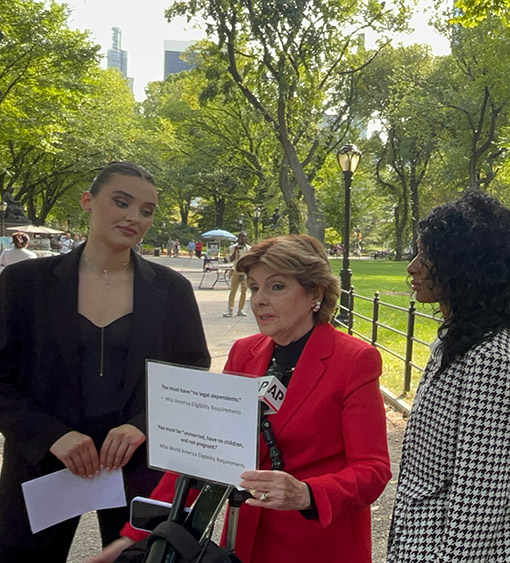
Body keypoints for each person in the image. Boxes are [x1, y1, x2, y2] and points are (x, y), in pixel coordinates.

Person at [91, 234, 392, 563]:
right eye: (254, 288)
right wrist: (133, 539)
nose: (259, 300)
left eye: (276, 287)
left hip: (320, 543)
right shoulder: (244, 353)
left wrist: (307, 493)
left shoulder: (355, 360)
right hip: (245, 540)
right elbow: (204, 453)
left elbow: (373, 469)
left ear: (315, 293)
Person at [0, 161, 211, 560]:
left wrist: (142, 426)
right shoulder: (25, 283)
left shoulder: (172, 291)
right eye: (121, 202)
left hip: (136, 471)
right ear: (88, 201)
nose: (134, 217)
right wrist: (50, 436)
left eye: (146, 211)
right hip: (41, 468)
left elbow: (192, 376)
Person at [386, 190, 510, 561]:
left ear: (466, 267)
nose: (413, 267)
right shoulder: (457, 340)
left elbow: (480, 499)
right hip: (423, 541)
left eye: (427, 256)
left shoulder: (491, 357)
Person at [224, 232, 251, 317]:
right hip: (236, 270)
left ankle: (240, 309)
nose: (243, 239)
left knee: (244, 291)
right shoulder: (233, 247)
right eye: (241, 237)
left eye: (245, 237)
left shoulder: (249, 248)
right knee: (233, 290)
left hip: (245, 271)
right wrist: (235, 251)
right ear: (238, 238)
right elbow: (230, 259)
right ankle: (230, 309)